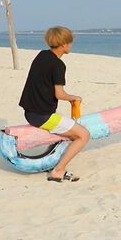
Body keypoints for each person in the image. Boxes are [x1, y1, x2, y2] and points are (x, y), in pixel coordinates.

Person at [19, 26, 90, 182]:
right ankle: (58, 170)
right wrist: (74, 98)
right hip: (43, 116)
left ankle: (55, 161)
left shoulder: (41, 55)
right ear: (64, 44)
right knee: (84, 135)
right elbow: (59, 94)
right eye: (70, 43)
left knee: (71, 131)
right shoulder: (58, 65)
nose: (71, 45)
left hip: (30, 112)